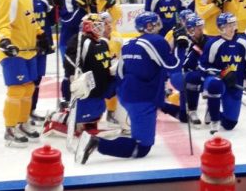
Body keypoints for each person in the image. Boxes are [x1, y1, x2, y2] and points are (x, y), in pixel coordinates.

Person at [74, 12, 182, 164]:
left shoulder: (129, 44)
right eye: (155, 23)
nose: (159, 25)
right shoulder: (157, 41)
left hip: (126, 95)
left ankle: (179, 113)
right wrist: (181, 47)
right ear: (149, 26)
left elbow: (120, 71)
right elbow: (174, 66)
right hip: (142, 99)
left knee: (156, 105)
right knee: (142, 148)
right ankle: (97, 143)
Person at [0, 0, 46, 147]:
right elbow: (2, 24)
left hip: (29, 50)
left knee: (28, 88)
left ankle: (22, 123)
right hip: (13, 52)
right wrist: (5, 42)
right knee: (16, 90)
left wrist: (41, 34)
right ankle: (10, 129)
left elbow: (30, 20)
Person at [43, 13, 116, 138]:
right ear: (88, 26)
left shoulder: (103, 42)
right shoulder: (79, 40)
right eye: (97, 26)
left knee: (97, 109)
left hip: (100, 87)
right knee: (84, 110)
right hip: (87, 87)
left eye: (101, 25)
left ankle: (89, 124)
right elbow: (70, 61)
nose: (101, 28)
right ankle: (59, 118)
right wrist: (76, 77)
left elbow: (106, 61)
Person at [198, 13, 246, 134]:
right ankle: (214, 117)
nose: (232, 28)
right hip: (217, 81)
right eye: (228, 26)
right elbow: (203, 65)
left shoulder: (243, 42)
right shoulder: (213, 44)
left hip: (235, 85)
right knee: (214, 85)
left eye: (233, 24)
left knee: (230, 124)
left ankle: (212, 110)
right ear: (221, 28)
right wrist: (222, 72)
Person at [56, 0, 94, 105]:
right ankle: (67, 100)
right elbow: (68, 21)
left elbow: (93, 17)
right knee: (70, 73)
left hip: (84, 41)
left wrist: (93, 6)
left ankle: (83, 100)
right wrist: (82, 8)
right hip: (68, 42)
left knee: (84, 71)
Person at [28, 0, 55, 124]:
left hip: (43, 46)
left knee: (38, 80)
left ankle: (32, 110)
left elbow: (51, 22)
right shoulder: (24, 1)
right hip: (31, 47)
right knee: (29, 81)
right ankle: (25, 112)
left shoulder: (42, 1)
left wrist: (55, 9)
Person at [100, 11, 124, 125]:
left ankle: (112, 112)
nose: (109, 25)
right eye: (105, 23)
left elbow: (122, 55)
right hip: (99, 73)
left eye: (110, 23)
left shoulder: (117, 37)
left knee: (118, 85)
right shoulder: (95, 40)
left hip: (113, 72)